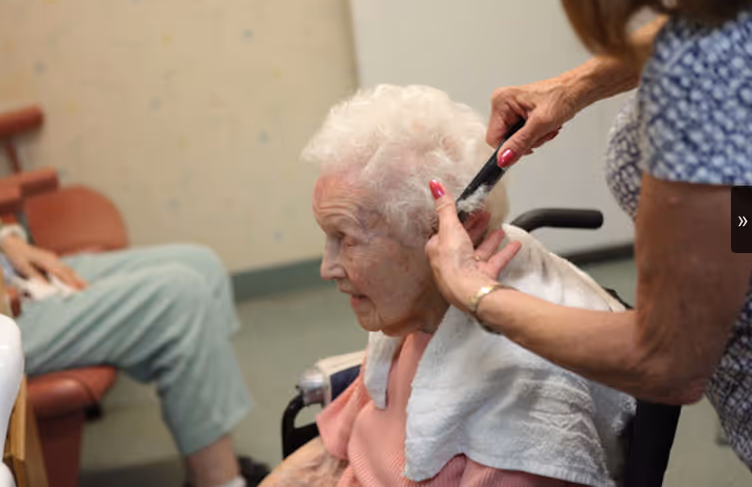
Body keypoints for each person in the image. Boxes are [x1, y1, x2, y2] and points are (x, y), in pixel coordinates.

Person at [425, 0, 752, 471]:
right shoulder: (725, 6)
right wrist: (574, 87)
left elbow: (671, 360)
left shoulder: (702, 74)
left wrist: (477, 293)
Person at [263, 85, 635, 486]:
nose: (327, 268)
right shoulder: (409, 317)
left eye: (347, 238)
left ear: (458, 225)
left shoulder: (520, 400)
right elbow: (331, 454)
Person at [0, 172, 269, 487]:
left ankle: (210, 459)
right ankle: (219, 479)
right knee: (181, 297)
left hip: (11, 272)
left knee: (203, 265)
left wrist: (6, 238)